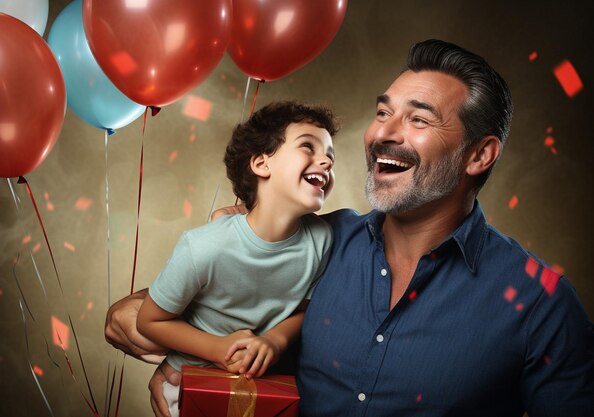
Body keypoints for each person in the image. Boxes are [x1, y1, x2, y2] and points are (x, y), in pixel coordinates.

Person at [105, 39, 594, 417]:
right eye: (383, 112)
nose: (384, 132)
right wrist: (181, 362)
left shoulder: (540, 306)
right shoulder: (323, 241)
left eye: (418, 119)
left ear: (479, 155)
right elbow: (129, 320)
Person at [133, 100, 338, 417]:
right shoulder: (203, 246)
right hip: (187, 380)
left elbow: (302, 312)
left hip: (262, 388)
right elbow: (149, 321)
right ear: (261, 164)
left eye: (330, 155)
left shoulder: (320, 239)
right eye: (308, 147)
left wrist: (274, 341)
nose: (325, 161)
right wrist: (217, 349)